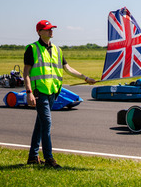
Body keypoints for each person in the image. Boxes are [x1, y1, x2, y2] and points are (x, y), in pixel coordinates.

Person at [23, 19, 96, 168]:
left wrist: (86, 78)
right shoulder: (32, 48)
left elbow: (68, 69)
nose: (51, 31)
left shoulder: (57, 50)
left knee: (40, 124)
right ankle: (49, 159)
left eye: (52, 28)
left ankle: (32, 157)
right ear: (39, 32)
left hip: (53, 92)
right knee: (47, 124)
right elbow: (26, 73)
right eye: (48, 29)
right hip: (39, 92)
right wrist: (29, 92)